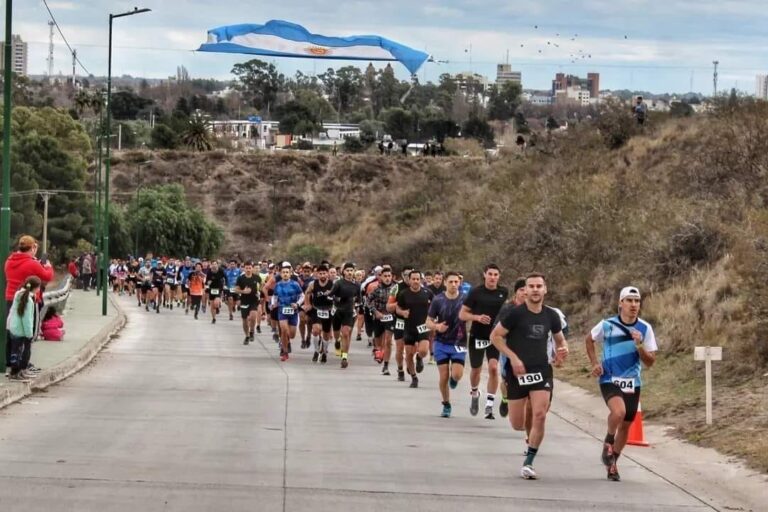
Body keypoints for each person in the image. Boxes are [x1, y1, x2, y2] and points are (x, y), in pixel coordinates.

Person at [490, 273, 568, 480]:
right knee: (517, 423)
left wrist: (563, 351)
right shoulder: (515, 314)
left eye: (538, 286)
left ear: (545, 289)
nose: (534, 290)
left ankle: (529, 462)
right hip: (518, 374)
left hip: (541, 371)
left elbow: (561, 341)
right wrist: (513, 358)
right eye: (531, 286)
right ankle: (508, 399)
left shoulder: (551, 315)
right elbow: (495, 337)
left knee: (540, 414)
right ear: (525, 290)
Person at [585, 286, 657, 482]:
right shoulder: (607, 324)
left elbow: (650, 362)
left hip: (632, 381)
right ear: (620, 304)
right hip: (609, 377)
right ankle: (608, 441)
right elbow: (589, 340)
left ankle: (612, 463)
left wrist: (640, 346)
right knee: (619, 412)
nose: (634, 305)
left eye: (637, 301)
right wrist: (594, 363)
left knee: (625, 426)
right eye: (629, 300)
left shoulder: (645, 328)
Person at [459, 264, 509, 419]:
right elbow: (462, 314)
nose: (493, 277)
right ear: (484, 275)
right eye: (490, 274)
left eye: (496, 274)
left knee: (494, 368)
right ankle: (474, 393)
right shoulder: (476, 292)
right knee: (476, 370)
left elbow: (507, 311)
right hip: (477, 336)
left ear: (499, 276)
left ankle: (489, 405)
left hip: (495, 337)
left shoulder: (503, 292)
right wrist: (477, 317)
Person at [4, 235, 53, 376]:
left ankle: (11, 363)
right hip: (28, 299)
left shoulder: (9, 261)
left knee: (12, 332)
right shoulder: (32, 263)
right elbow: (46, 276)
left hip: (11, 298)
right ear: (32, 248)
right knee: (27, 333)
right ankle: (23, 365)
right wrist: (48, 266)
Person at [426, 272, 466, 417]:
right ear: (445, 283)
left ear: (459, 283)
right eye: (451, 282)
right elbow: (428, 322)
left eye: (456, 282)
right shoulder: (438, 300)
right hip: (441, 342)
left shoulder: (465, 299)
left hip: (459, 342)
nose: (454, 284)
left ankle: (453, 379)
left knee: (457, 374)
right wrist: (437, 327)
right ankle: (446, 404)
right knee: (443, 376)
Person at [395, 270, 433, 388]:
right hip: (409, 327)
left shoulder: (427, 292)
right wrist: (402, 312)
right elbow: (397, 308)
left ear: (421, 280)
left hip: (423, 327)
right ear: (409, 280)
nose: (416, 281)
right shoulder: (403, 294)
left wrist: (433, 318)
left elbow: (436, 305)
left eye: (418, 279)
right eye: (413, 279)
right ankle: (414, 377)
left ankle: (420, 357)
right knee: (409, 354)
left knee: (423, 351)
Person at [7, 276, 42, 381]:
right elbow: (27, 319)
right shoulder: (28, 300)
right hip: (22, 331)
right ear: (35, 288)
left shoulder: (18, 295)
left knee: (15, 351)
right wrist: (29, 334)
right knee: (23, 352)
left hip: (14, 328)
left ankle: (15, 372)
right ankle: (18, 372)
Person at [329, 262, 360, 368]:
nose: (350, 272)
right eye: (347, 270)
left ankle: (344, 357)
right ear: (343, 272)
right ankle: (337, 341)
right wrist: (337, 298)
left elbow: (359, 299)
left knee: (346, 333)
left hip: (348, 312)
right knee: (337, 333)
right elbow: (331, 295)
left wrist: (356, 306)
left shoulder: (357, 285)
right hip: (338, 311)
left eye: (351, 270)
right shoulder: (338, 283)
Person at [303, 264, 335, 363]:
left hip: (328, 310)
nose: (322, 275)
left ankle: (324, 352)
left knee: (326, 334)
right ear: (317, 274)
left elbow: (338, 296)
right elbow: (307, 293)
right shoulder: (313, 284)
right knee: (316, 330)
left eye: (324, 273)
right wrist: (307, 304)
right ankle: (316, 351)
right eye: (320, 273)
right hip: (316, 309)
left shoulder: (332, 284)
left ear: (328, 274)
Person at [273, 263, 304, 361]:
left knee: (292, 334)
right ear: (280, 274)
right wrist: (273, 303)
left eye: (287, 272)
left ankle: (285, 342)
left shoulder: (295, 284)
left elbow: (302, 296)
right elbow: (275, 296)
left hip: (293, 311)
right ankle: (285, 351)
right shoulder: (277, 285)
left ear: (290, 274)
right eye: (283, 272)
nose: (285, 274)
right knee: (284, 330)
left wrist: (297, 304)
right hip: (282, 309)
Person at [235, 261, 263, 345]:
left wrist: (259, 292)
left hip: (254, 300)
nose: (248, 269)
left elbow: (261, 285)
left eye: (249, 268)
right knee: (245, 320)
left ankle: (252, 331)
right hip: (244, 301)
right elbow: (236, 290)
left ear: (252, 268)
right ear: (244, 268)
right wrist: (243, 291)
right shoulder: (241, 278)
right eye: (246, 268)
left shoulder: (256, 277)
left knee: (253, 316)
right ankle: (247, 336)